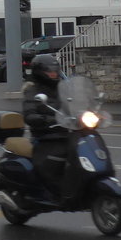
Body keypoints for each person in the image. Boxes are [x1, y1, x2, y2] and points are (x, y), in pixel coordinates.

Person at [23, 53, 69, 195]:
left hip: (66, 132)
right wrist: (45, 120)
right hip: (45, 135)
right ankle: (51, 189)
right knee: (53, 160)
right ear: (40, 72)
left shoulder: (62, 88)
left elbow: (74, 102)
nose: (53, 74)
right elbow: (29, 114)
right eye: (50, 71)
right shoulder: (32, 90)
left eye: (55, 71)